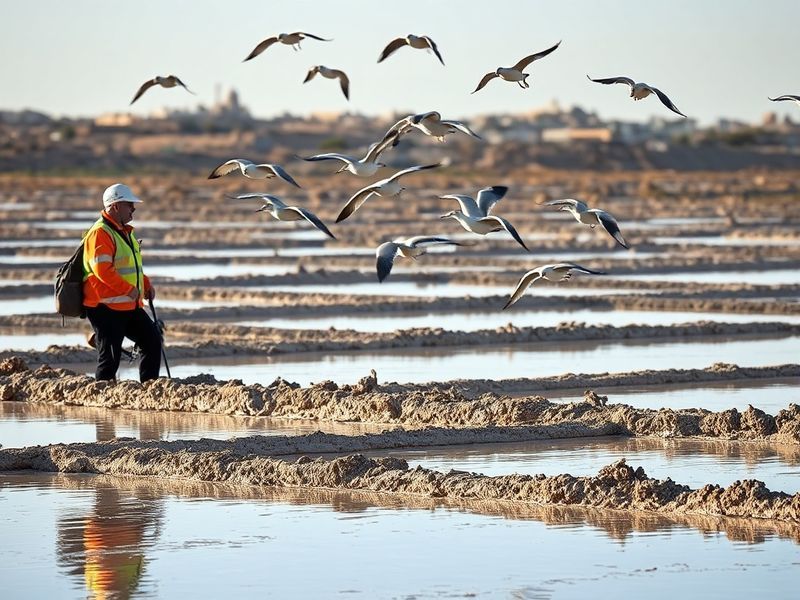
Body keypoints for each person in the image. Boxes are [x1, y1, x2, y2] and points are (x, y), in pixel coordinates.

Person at [82, 183, 161, 382]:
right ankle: (100, 394)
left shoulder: (125, 231)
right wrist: (128, 289)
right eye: (129, 204)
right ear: (115, 206)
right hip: (104, 306)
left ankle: (150, 389)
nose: (133, 208)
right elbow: (102, 270)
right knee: (109, 358)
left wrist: (145, 285)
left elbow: (132, 266)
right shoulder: (100, 233)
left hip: (127, 304)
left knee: (152, 341)